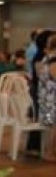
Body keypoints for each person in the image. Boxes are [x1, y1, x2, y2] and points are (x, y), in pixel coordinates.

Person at [38, 33, 56, 162]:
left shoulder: (47, 58)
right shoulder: (53, 60)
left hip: (47, 98)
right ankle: (50, 152)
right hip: (51, 101)